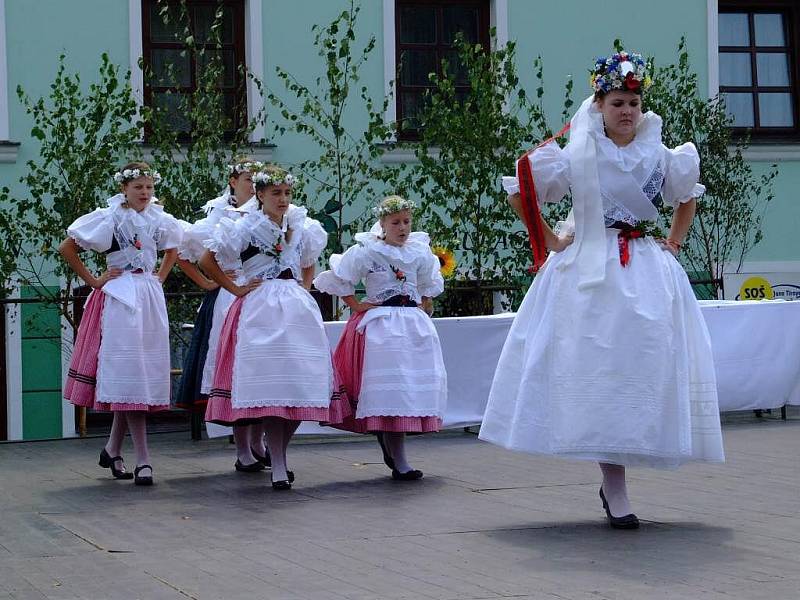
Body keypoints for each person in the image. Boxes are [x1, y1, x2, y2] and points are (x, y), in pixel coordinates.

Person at [479, 50, 725, 528]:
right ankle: (615, 485)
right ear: (599, 105)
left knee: (641, 367)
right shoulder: (578, 151)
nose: (627, 111)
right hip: (589, 267)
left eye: (633, 102)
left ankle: (620, 474)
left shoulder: (659, 154)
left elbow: (686, 196)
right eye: (617, 102)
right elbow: (520, 188)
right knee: (600, 367)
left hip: (646, 271)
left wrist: (673, 242)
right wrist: (551, 241)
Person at [200, 164, 348, 490]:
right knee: (271, 387)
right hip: (260, 308)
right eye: (275, 193)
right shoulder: (246, 226)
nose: (282, 199)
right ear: (261, 195)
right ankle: (278, 463)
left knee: (298, 385)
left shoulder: (298, 225)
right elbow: (206, 259)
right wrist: (235, 287)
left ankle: (279, 456)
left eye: (286, 193)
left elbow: (309, 261)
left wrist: (304, 288)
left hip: (295, 309)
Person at [60, 162, 184, 486]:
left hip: (148, 295)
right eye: (138, 187)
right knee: (130, 374)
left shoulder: (157, 218)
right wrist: (95, 281)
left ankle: (112, 449)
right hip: (121, 297)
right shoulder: (111, 217)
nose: (144, 193)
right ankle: (143, 458)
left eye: (148, 187)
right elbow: (68, 247)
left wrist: (161, 276)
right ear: (124, 189)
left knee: (137, 375)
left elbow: (174, 247)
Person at [314, 195, 447, 480]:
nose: (403, 228)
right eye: (396, 222)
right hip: (382, 327)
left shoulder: (419, 251)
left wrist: (423, 304)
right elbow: (340, 277)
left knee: (407, 388)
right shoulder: (368, 251)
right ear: (382, 224)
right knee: (390, 388)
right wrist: (357, 304)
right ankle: (398, 458)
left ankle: (396, 452)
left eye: (407, 222)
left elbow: (428, 284)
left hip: (411, 325)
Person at [176, 158, 270, 473]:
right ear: (232, 181)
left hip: (264, 298)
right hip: (231, 299)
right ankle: (243, 446)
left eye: (258, 180)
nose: (253, 186)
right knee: (234, 369)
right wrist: (210, 283)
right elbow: (186, 252)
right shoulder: (217, 220)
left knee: (260, 371)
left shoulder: (270, 215)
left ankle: (259, 441)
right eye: (247, 179)